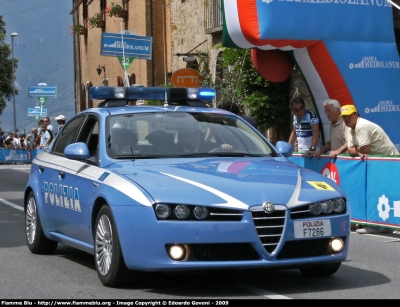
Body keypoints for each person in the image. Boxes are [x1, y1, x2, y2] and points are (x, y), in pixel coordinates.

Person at [340, 104, 399, 234]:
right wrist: (357, 149)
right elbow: (351, 150)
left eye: (349, 116)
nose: (346, 119)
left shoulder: (362, 126)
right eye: (344, 117)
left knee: (386, 192)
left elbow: (364, 150)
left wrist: (356, 149)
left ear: (356, 115)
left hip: (387, 160)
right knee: (377, 192)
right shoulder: (350, 128)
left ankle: (380, 225)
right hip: (377, 162)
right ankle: (380, 225)